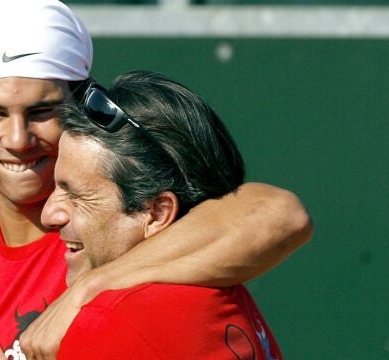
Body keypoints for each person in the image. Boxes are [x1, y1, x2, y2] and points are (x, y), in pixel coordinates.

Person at [0, 1, 312, 359]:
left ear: (81, 101)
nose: (17, 139)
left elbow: (280, 214)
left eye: (42, 111)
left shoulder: (128, 232)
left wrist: (89, 289)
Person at [45, 71, 282, 358]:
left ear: (156, 213)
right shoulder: (227, 290)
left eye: (77, 196)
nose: (49, 214)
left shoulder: (114, 323)